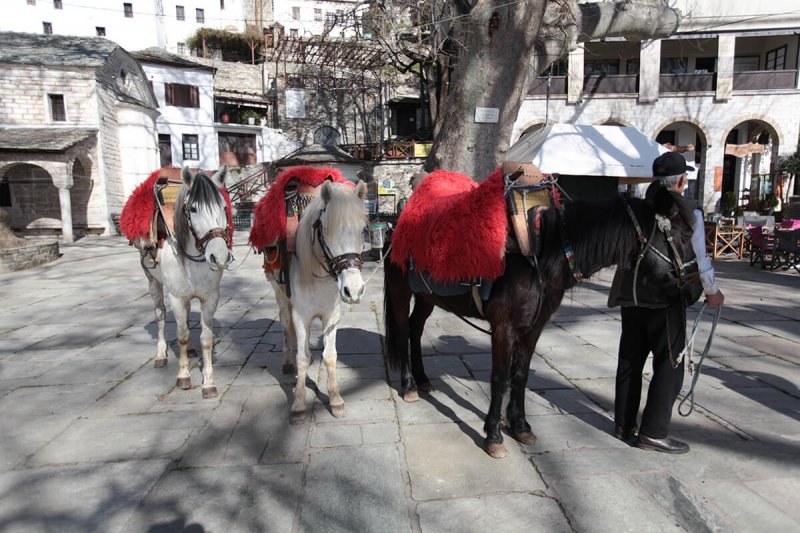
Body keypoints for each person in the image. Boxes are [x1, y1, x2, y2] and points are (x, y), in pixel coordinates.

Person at [609, 152, 725, 454]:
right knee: (670, 364)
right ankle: (654, 432)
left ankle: (623, 425)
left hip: (631, 295)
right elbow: (700, 258)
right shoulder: (689, 212)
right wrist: (712, 290)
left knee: (630, 361)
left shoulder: (635, 209)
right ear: (682, 180)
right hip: (666, 297)